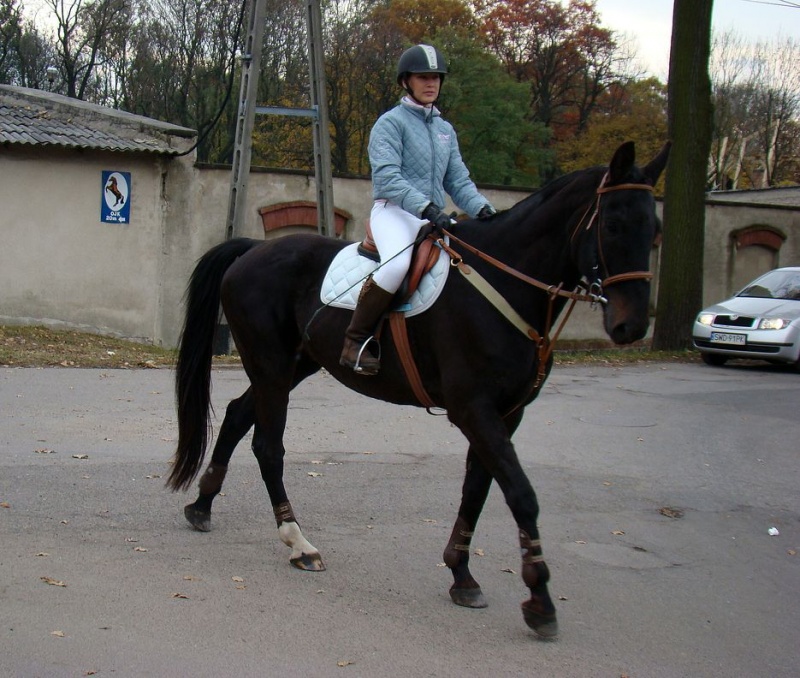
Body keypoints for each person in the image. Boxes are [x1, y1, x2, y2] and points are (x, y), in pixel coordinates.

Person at [339, 43, 496, 375]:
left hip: (432, 216)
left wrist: (484, 210)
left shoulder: (444, 131)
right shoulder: (390, 124)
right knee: (395, 268)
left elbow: (459, 181)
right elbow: (388, 177)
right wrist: (427, 207)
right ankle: (354, 341)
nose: (431, 83)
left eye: (436, 77)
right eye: (423, 77)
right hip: (394, 212)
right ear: (405, 82)